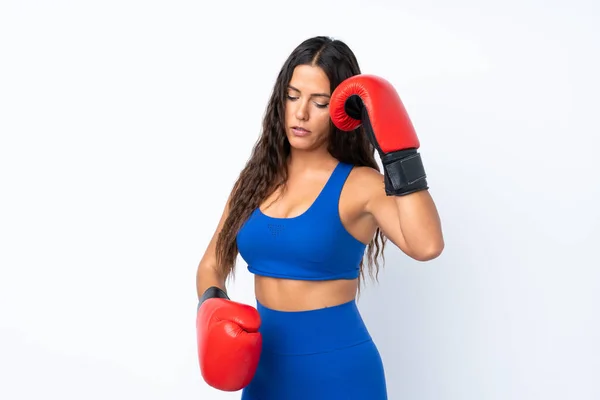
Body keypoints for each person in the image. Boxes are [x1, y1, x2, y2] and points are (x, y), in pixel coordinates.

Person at [195, 36, 444, 400]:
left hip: (338, 373)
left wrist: (399, 154)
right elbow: (210, 264)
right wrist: (213, 307)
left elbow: (427, 245)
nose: (301, 113)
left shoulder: (361, 184)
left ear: (344, 111)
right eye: (293, 96)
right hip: (264, 372)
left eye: (320, 102)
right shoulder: (255, 180)